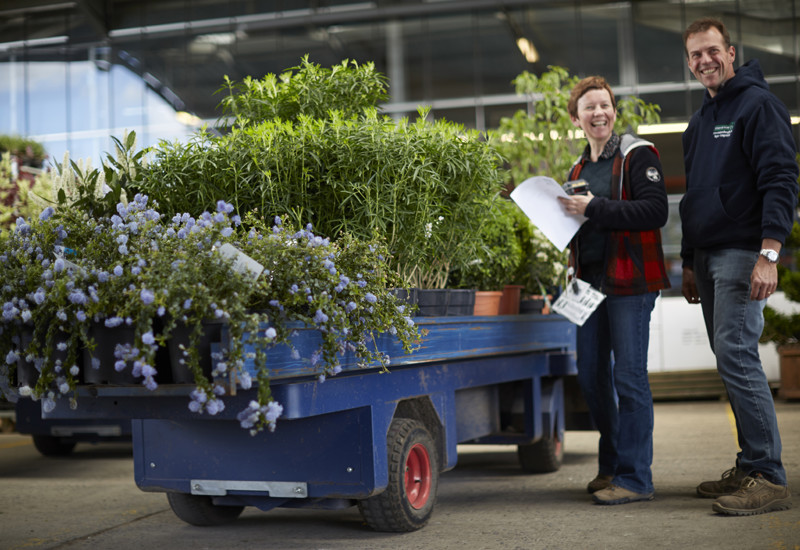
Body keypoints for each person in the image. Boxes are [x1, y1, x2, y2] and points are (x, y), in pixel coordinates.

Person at [679, 17, 797, 516]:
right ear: (689, 64)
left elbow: (781, 178)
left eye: (712, 51)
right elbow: (693, 197)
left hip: (743, 251)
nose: (704, 60)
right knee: (728, 357)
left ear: (730, 52)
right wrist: (688, 260)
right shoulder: (699, 123)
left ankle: (768, 475)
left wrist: (769, 253)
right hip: (707, 256)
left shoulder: (758, 105)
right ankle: (750, 464)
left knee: (737, 353)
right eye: (695, 54)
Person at [558, 76, 670, 505]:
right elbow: (582, 223)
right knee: (591, 375)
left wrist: (594, 207)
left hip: (630, 282)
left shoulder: (637, 155)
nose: (598, 113)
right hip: (588, 283)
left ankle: (635, 478)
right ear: (576, 118)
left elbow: (655, 211)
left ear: (614, 111)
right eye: (589, 107)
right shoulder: (577, 170)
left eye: (604, 105)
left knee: (629, 377)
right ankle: (611, 466)